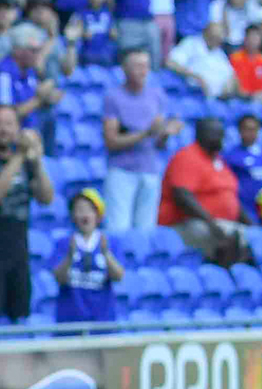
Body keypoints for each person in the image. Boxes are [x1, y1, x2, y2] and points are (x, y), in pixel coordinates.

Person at [0, 104, 55, 323]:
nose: (3, 130)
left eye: (9, 124)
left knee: (19, 319)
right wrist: (20, 155)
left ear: (17, 128)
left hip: (19, 255)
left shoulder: (26, 164)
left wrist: (37, 162)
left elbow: (46, 198)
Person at [101, 48, 180, 232]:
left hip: (150, 170)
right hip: (122, 171)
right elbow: (111, 141)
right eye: (137, 66)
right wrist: (146, 133)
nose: (143, 71)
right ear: (125, 69)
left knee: (145, 230)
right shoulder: (114, 97)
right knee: (118, 228)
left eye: (145, 66)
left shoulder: (156, 95)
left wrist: (165, 133)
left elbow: (159, 143)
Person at [160, 116, 250, 267]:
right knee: (231, 237)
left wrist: (251, 224)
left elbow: (229, 196)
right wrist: (211, 223)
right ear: (201, 135)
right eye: (215, 134)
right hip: (186, 223)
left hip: (217, 223)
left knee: (252, 237)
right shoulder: (187, 156)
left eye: (221, 134)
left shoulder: (217, 160)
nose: (220, 138)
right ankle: (223, 277)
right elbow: (182, 197)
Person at [52, 189, 124, 325]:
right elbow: (59, 279)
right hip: (70, 323)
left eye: (89, 210)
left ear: (98, 215)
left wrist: (106, 253)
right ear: (73, 215)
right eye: (79, 209)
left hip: (103, 322)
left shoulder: (110, 242)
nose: (85, 214)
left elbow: (118, 276)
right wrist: (69, 256)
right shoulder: (63, 243)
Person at [224, 113, 262, 226]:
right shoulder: (231, 156)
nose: (251, 133)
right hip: (249, 209)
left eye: (254, 129)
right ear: (240, 131)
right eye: (247, 129)